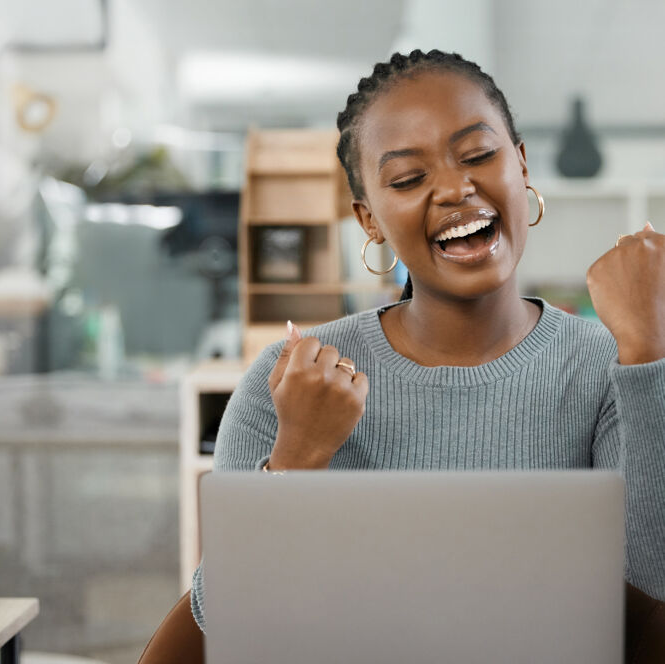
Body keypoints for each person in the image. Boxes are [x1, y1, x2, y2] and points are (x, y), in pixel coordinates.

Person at [138, 49, 665, 664]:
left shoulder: (613, 369)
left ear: (521, 164)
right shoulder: (285, 389)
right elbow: (228, 627)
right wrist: (299, 457)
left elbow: (651, 609)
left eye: (478, 155)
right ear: (369, 220)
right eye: (409, 179)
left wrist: (650, 356)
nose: (455, 188)